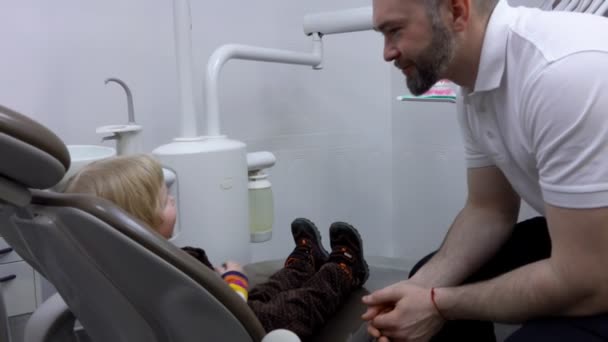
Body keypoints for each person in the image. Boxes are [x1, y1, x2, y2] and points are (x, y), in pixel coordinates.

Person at [363, 0, 608, 341]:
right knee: (426, 278)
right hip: (589, 241)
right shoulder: (475, 87)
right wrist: (418, 290)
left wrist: (438, 304)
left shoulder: (562, 72)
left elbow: (588, 280)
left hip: (595, 269)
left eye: (395, 31)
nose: (387, 53)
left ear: (457, 11)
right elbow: (489, 209)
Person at [64, 154, 369, 339]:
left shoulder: (117, 270)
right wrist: (233, 280)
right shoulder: (170, 269)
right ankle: (343, 270)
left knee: (267, 291)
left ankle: (303, 264)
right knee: (302, 303)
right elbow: (227, 311)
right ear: (139, 220)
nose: (172, 200)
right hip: (242, 330)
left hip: (219, 320)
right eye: (163, 199)